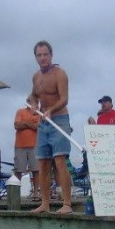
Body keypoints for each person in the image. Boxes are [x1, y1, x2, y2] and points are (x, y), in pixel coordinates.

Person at [28, 40, 72, 214]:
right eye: (39, 55)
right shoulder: (36, 77)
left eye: (45, 54)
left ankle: (67, 204)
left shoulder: (59, 73)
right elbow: (32, 96)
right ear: (36, 57)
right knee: (43, 163)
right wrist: (33, 104)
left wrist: (51, 110)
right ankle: (45, 203)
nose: (43, 58)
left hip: (60, 119)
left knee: (60, 160)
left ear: (51, 55)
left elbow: (64, 98)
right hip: (43, 122)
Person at [13, 96, 41, 200]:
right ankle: (15, 193)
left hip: (35, 145)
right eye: (32, 101)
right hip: (20, 145)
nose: (34, 103)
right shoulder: (20, 111)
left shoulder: (39, 114)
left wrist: (24, 123)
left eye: (36, 101)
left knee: (36, 169)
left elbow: (37, 127)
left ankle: (36, 193)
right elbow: (16, 125)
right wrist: (30, 124)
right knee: (18, 170)